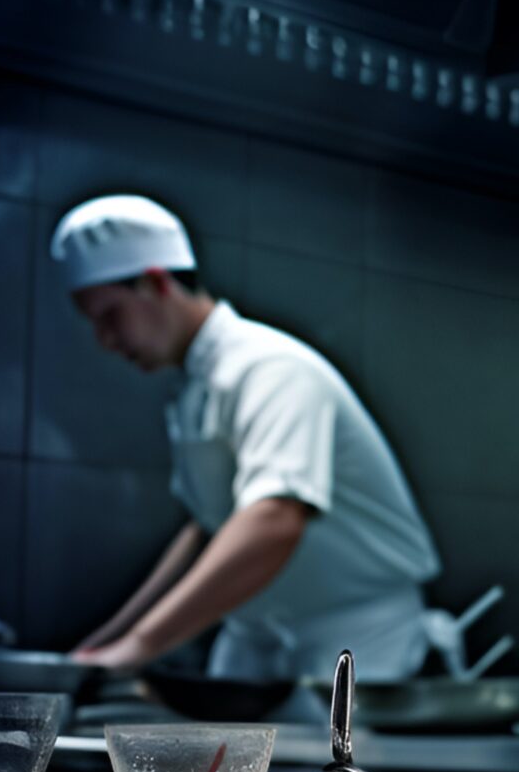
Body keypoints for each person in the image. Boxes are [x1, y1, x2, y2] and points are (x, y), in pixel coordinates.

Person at [54, 195, 440, 682]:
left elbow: (275, 519)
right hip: (256, 643)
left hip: (356, 641)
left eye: (110, 317)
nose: (106, 341)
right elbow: (210, 528)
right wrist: (102, 647)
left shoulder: (270, 369)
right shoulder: (197, 386)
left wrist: (139, 646)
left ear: (156, 283)